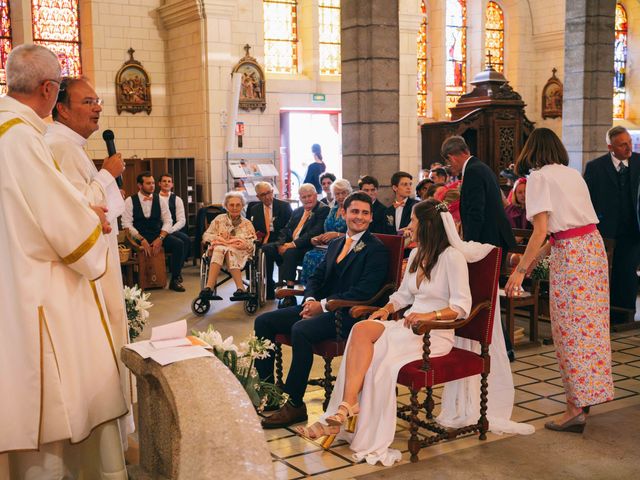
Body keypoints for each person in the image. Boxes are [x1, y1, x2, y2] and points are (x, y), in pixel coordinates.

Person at [295, 199, 533, 465]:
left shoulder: (451, 257)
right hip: (407, 325)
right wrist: (386, 309)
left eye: (413, 222)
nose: (408, 226)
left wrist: (428, 316)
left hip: (434, 333)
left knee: (377, 360)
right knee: (361, 331)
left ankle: (346, 414)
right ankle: (347, 406)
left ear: (427, 226)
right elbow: (404, 294)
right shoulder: (418, 254)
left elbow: (462, 307)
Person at [0, 44, 127, 479]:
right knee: (55, 405)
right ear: (50, 90)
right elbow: (66, 231)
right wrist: (90, 216)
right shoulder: (19, 138)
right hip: (36, 291)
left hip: (9, 282)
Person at [45, 76, 134, 448]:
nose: (98, 107)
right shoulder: (59, 146)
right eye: (87, 102)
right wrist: (106, 176)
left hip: (103, 258)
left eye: (97, 100)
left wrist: (108, 187)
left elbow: (100, 209)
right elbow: (73, 212)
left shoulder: (73, 146)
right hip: (86, 271)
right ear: (61, 108)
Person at [505, 127, 614, 433]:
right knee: (590, 327)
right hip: (592, 248)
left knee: (569, 330)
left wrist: (520, 270)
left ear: (531, 151)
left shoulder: (539, 177)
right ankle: (587, 396)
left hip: (572, 256)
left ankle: (574, 408)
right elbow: (559, 233)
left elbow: (542, 231)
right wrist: (535, 260)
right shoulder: (572, 174)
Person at [256, 192, 389, 429]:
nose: (359, 217)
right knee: (264, 322)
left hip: (350, 315)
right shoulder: (337, 243)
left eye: (365, 213)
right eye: (354, 211)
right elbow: (315, 277)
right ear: (344, 213)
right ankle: (270, 394)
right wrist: (309, 300)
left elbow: (365, 291)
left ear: (370, 218)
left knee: (301, 329)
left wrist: (324, 305)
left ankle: (295, 403)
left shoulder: (375, 249)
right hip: (321, 308)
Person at [442, 135, 516, 361]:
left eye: (449, 162)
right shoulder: (479, 167)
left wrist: (469, 248)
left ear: (453, 156)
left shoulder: (473, 171)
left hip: (485, 244)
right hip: (492, 240)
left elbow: (476, 212)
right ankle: (500, 346)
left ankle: (501, 347)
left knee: (484, 295)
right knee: (486, 295)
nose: (450, 167)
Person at [584, 126, 640, 322]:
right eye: (622, 144)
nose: (628, 147)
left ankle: (627, 316)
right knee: (603, 274)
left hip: (633, 229)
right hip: (604, 230)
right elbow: (587, 199)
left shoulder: (639, 162)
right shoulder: (595, 167)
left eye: (629, 143)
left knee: (628, 273)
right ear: (610, 146)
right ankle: (603, 316)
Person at [262, 184, 330, 301]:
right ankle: (269, 286)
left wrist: (291, 245)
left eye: (310, 196)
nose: (307, 199)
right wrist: (280, 244)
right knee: (266, 249)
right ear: (300, 198)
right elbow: (286, 229)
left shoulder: (323, 209)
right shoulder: (298, 211)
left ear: (315, 196)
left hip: (309, 246)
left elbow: (314, 233)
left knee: (290, 253)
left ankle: (289, 292)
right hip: (290, 244)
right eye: (304, 197)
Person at [121, 172, 187, 292]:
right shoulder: (130, 201)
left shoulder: (160, 200)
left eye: (152, 183)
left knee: (179, 244)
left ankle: (175, 279)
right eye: (148, 183)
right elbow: (126, 224)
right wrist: (141, 239)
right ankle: (138, 281)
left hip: (157, 234)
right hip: (138, 235)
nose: (152, 186)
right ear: (140, 186)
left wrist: (160, 238)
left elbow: (168, 221)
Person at [200, 192, 257, 300]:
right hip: (219, 253)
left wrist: (234, 243)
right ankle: (209, 288)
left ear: (242, 206)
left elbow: (251, 242)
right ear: (226, 206)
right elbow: (206, 235)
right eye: (231, 205)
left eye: (238, 205)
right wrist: (220, 240)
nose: (234, 208)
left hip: (240, 253)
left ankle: (240, 288)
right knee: (219, 249)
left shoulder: (247, 223)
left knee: (228, 250)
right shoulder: (218, 220)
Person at [301, 179, 352, 283]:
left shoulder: (352, 210)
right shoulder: (333, 209)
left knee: (319, 259)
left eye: (343, 193)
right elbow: (327, 230)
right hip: (328, 246)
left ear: (349, 193)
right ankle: (309, 292)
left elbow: (355, 235)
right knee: (309, 255)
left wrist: (336, 235)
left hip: (344, 247)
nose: (341, 196)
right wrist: (319, 238)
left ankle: (321, 291)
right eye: (337, 194)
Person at [248, 182, 293, 298]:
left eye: (269, 193)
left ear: (273, 192)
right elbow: (251, 228)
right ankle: (254, 283)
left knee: (265, 251)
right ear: (258, 197)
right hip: (262, 240)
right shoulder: (254, 209)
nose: (267, 197)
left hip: (280, 239)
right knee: (250, 251)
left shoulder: (284, 206)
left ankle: (269, 286)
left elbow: (289, 228)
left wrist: (280, 243)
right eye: (263, 195)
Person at [158, 173, 192, 265]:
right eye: (164, 181)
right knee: (178, 242)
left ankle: (177, 268)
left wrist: (170, 230)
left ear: (172, 185)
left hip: (172, 229)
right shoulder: (154, 199)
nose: (166, 183)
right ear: (159, 184)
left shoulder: (177, 199)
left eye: (169, 181)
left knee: (186, 239)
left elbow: (182, 220)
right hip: (158, 230)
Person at [383, 171, 418, 235]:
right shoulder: (388, 211)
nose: (409, 187)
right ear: (395, 188)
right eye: (404, 184)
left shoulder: (416, 206)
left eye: (410, 184)